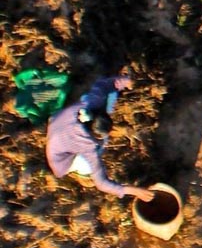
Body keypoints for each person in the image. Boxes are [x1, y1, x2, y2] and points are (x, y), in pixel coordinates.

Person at [45, 74, 154, 202]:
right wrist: (132, 190)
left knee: (106, 94)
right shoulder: (87, 146)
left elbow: (103, 85)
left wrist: (125, 81)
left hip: (57, 125)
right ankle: (81, 173)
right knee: (88, 165)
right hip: (60, 161)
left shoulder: (90, 104)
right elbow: (101, 183)